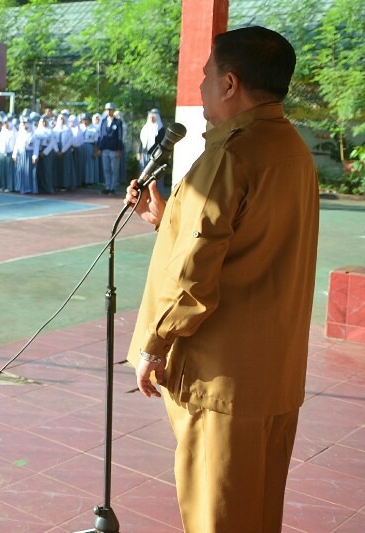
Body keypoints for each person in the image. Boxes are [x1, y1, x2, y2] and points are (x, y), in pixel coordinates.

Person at [124, 26, 319, 533]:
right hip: (272, 376)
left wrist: (154, 344)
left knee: (218, 519)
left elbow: (193, 277)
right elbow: (240, 241)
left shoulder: (230, 154)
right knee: (256, 514)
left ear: (230, 84)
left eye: (205, 76)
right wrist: (166, 216)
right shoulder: (292, 149)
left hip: (222, 380)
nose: (200, 87)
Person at [138, 108, 167, 197]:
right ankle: (144, 194)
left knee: (155, 177)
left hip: (155, 157)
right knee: (144, 175)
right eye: (150, 116)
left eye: (153, 116)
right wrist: (139, 152)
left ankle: (157, 195)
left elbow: (161, 144)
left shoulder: (161, 129)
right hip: (144, 155)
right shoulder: (145, 128)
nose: (151, 118)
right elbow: (142, 142)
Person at [98, 102, 123, 194]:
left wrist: (119, 149)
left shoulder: (118, 122)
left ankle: (113, 187)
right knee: (106, 169)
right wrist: (100, 148)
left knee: (114, 169)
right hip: (105, 149)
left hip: (114, 149)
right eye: (107, 110)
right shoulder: (103, 121)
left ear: (113, 110)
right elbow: (101, 135)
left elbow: (120, 136)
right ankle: (107, 186)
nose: (109, 111)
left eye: (110, 110)